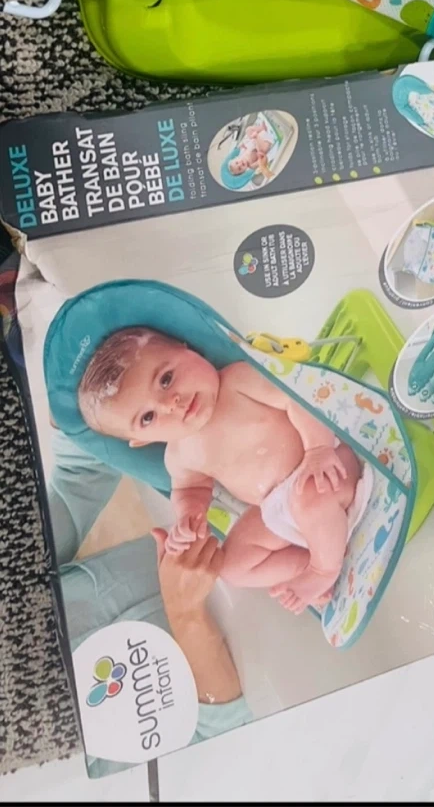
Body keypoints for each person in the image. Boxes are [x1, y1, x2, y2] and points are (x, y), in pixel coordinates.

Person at [77, 327, 370, 612]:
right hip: (276, 509)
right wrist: (188, 518)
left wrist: (318, 450)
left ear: (184, 348)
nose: (171, 404)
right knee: (231, 566)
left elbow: (297, 401)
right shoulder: (178, 456)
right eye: (148, 417)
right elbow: (191, 489)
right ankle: (307, 561)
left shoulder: (237, 380)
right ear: (141, 440)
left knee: (308, 498)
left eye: (166, 379)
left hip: (324, 468)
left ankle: (323, 569)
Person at [47, 431, 252, 777]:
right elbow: (224, 744)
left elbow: (80, 475)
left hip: (240, 500)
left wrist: (73, 411)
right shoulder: (52, 775)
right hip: (289, 663)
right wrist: (185, 613)